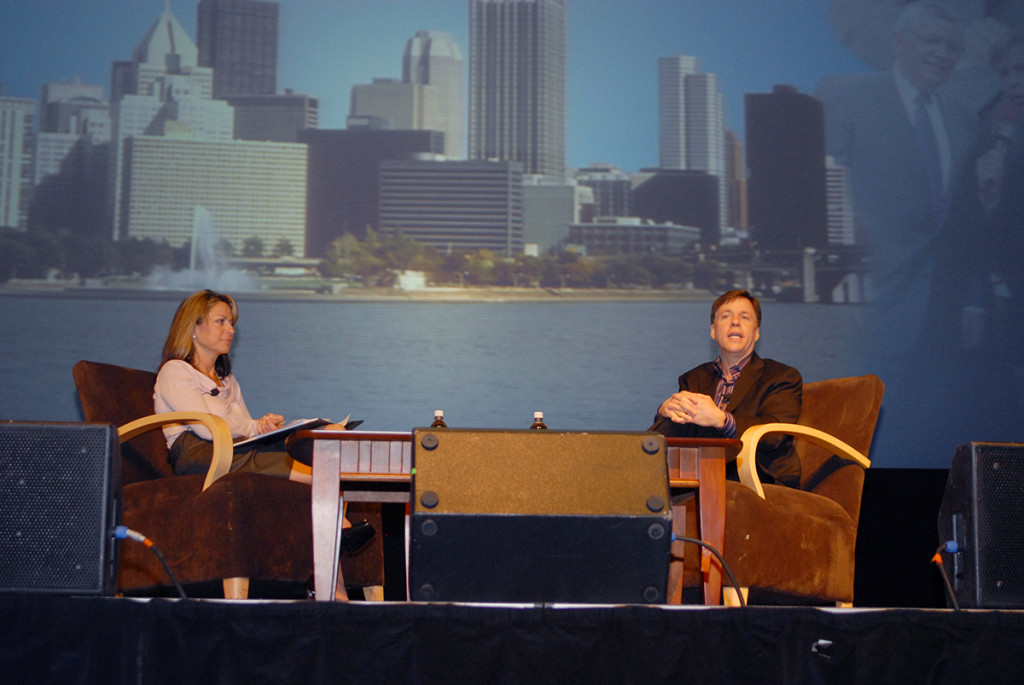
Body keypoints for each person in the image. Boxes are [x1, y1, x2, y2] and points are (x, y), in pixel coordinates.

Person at [153, 289, 372, 552]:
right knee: (317, 471)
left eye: (231, 323)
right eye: (221, 321)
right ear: (193, 328)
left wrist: (265, 428)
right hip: (200, 455)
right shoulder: (175, 371)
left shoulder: (227, 381)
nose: (230, 330)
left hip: (235, 451)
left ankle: (337, 544)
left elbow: (247, 433)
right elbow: (205, 427)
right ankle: (341, 529)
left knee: (324, 438)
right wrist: (254, 426)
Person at [650, 290, 803, 488]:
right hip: (701, 476)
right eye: (726, 316)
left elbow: (773, 436)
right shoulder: (693, 379)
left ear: (756, 332)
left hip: (760, 479)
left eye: (745, 317)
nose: (735, 322)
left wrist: (721, 420)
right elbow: (679, 434)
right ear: (713, 331)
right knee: (645, 469)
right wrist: (663, 412)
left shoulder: (781, 376)